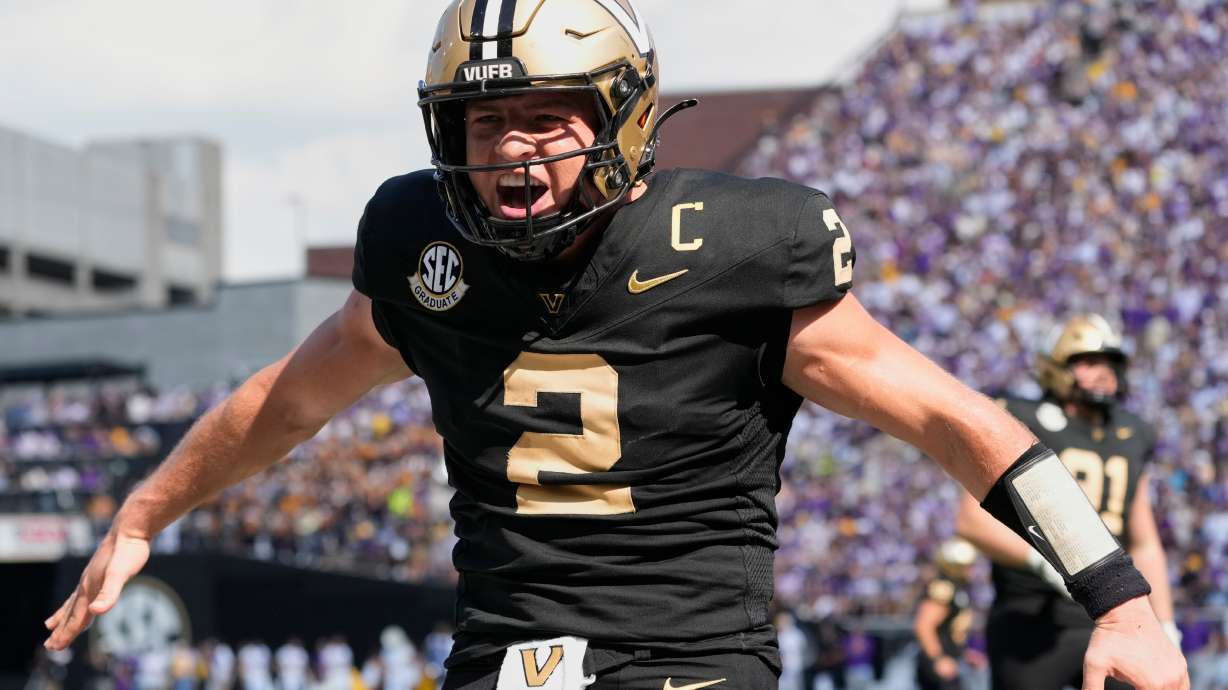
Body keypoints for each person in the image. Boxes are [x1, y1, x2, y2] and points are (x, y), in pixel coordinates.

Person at [44, 2, 1187, 689]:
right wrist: (146, 512)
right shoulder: (422, 244)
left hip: (686, 659)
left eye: (547, 116)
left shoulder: (737, 245)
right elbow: (283, 406)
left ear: (625, 115)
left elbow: (957, 423)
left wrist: (1122, 598)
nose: (514, 153)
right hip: (504, 657)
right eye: (486, 122)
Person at [956, 314, 1180, 690]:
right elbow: (970, 521)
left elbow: (1144, 542)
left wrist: (1166, 624)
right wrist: (1043, 563)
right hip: (1032, 615)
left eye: (1109, 363)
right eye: (1089, 362)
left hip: (1110, 605)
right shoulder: (1021, 418)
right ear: (1056, 368)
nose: (1104, 373)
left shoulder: (1131, 432)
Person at [913, 539, 981, 690]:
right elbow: (923, 626)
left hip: (950, 661)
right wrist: (938, 659)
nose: (972, 570)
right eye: (967, 566)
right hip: (937, 664)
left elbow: (949, 629)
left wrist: (964, 653)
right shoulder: (943, 587)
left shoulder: (958, 588)